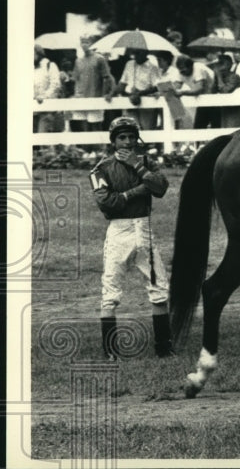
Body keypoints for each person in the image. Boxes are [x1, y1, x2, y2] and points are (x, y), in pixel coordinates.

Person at [90, 116, 171, 360]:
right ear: (113, 141)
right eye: (121, 138)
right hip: (118, 231)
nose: (127, 142)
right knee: (111, 288)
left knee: (159, 287)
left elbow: (161, 188)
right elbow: (108, 203)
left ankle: (164, 349)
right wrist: (138, 190)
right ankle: (110, 350)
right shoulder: (100, 169)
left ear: (137, 139)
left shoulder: (146, 162)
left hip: (144, 228)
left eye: (131, 137)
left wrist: (138, 167)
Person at [70, 39, 116, 135]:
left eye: (87, 42)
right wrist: (75, 95)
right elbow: (76, 79)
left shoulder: (99, 59)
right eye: (82, 42)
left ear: (91, 43)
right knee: (83, 127)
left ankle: (100, 149)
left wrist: (104, 94)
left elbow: (106, 77)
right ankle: (87, 149)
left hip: (95, 96)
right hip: (81, 98)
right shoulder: (78, 61)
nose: (84, 45)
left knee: (96, 125)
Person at [115, 48, 163, 132]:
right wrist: (112, 93)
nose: (136, 55)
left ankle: (149, 145)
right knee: (131, 128)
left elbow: (156, 86)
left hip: (146, 102)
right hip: (130, 100)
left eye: (138, 53)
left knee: (147, 130)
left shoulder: (152, 67)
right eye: (134, 53)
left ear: (146, 53)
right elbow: (122, 83)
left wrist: (140, 93)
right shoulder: (129, 64)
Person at [34, 45, 63, 133]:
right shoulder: (30, 67)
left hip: (47, 109)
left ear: (38, 54)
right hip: (33, 109)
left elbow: (56, 84)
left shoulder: (49, 65)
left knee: (43, 137)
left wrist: (45, 96)